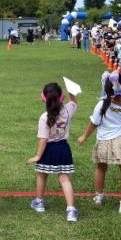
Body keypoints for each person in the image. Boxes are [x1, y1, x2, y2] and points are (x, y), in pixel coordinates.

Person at [77, 72, 121, 214]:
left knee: (100, 168)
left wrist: (84, 137)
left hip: (102, 142)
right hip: (120, 142)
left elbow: (93, 123)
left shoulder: (101, 104)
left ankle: (99, 197)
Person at [27, 82, 79, 222]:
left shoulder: (44, 117)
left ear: (43, 98)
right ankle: (71, 210)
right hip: (63, 149)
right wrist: (71, 92)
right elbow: (73, 102)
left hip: (48, 150)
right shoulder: (69, 109)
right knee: (64, 178)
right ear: (62, 97)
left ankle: (39, 202)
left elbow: (43, 140)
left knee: (42, 175)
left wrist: (38, 156)